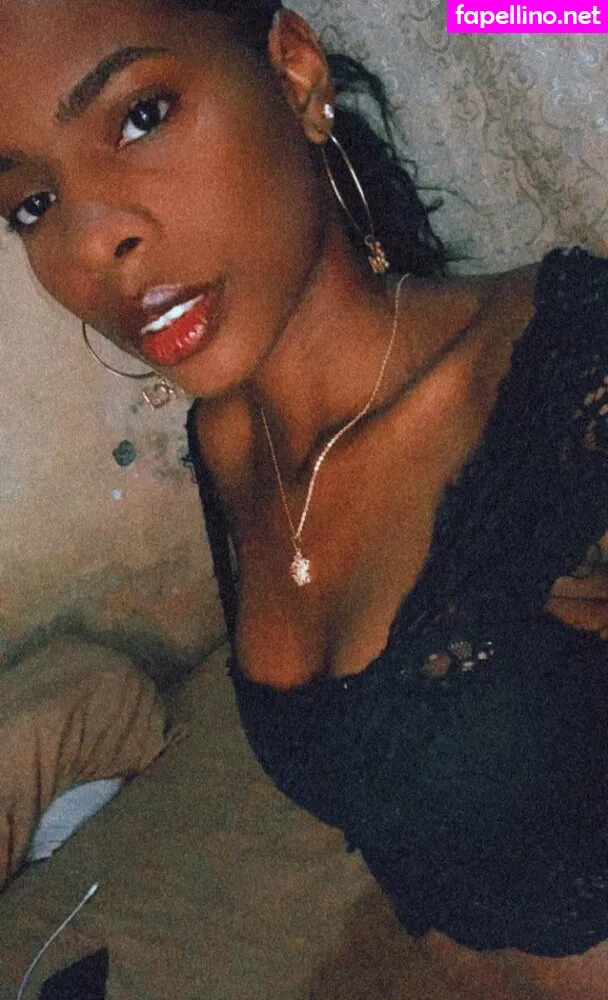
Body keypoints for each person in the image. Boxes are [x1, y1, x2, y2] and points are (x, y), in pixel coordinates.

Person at [1, 0, 607, 995]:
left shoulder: (570, 389)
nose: (89, 240)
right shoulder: (229, 447)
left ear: (293, 73)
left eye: (142, 116)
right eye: (31, 203)